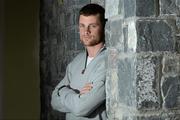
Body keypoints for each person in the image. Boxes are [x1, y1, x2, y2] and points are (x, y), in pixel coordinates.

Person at [51, 3, 107, 120]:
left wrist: (63, 91)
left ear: (103, 26)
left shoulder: (108, 62)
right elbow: (54, 101)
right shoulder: (77, 61)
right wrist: (76, 96)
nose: (86, 31)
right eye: (82, 26)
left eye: (92, 26)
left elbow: (81, 108)